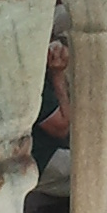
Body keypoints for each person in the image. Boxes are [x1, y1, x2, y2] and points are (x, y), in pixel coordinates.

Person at [32, 27, 71, 196]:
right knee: (98, 170)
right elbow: (61, 127)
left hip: (51, 149)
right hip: (40, 158)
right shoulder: (32, 79)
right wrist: (58, 74)